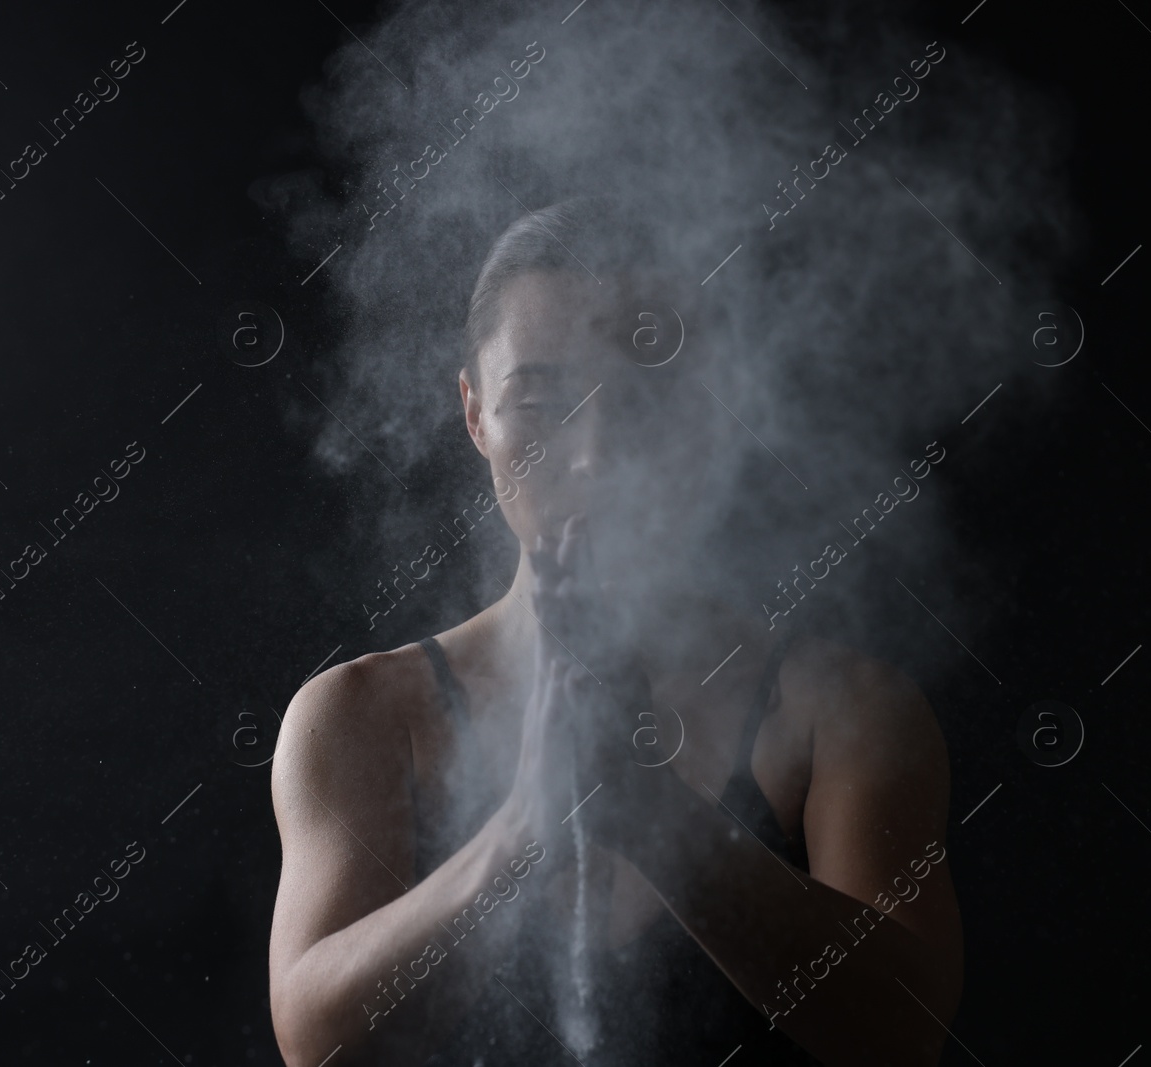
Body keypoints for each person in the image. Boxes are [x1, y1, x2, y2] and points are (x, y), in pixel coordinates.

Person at [268, 198, 963, 1066]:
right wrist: (522, 831)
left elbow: (904, 1034)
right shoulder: (360, 713)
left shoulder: (840, 710)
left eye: (645, 396)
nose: (595, 452)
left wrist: (655, 815)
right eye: (542, 400)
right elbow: (316, 1043)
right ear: (476, 413)